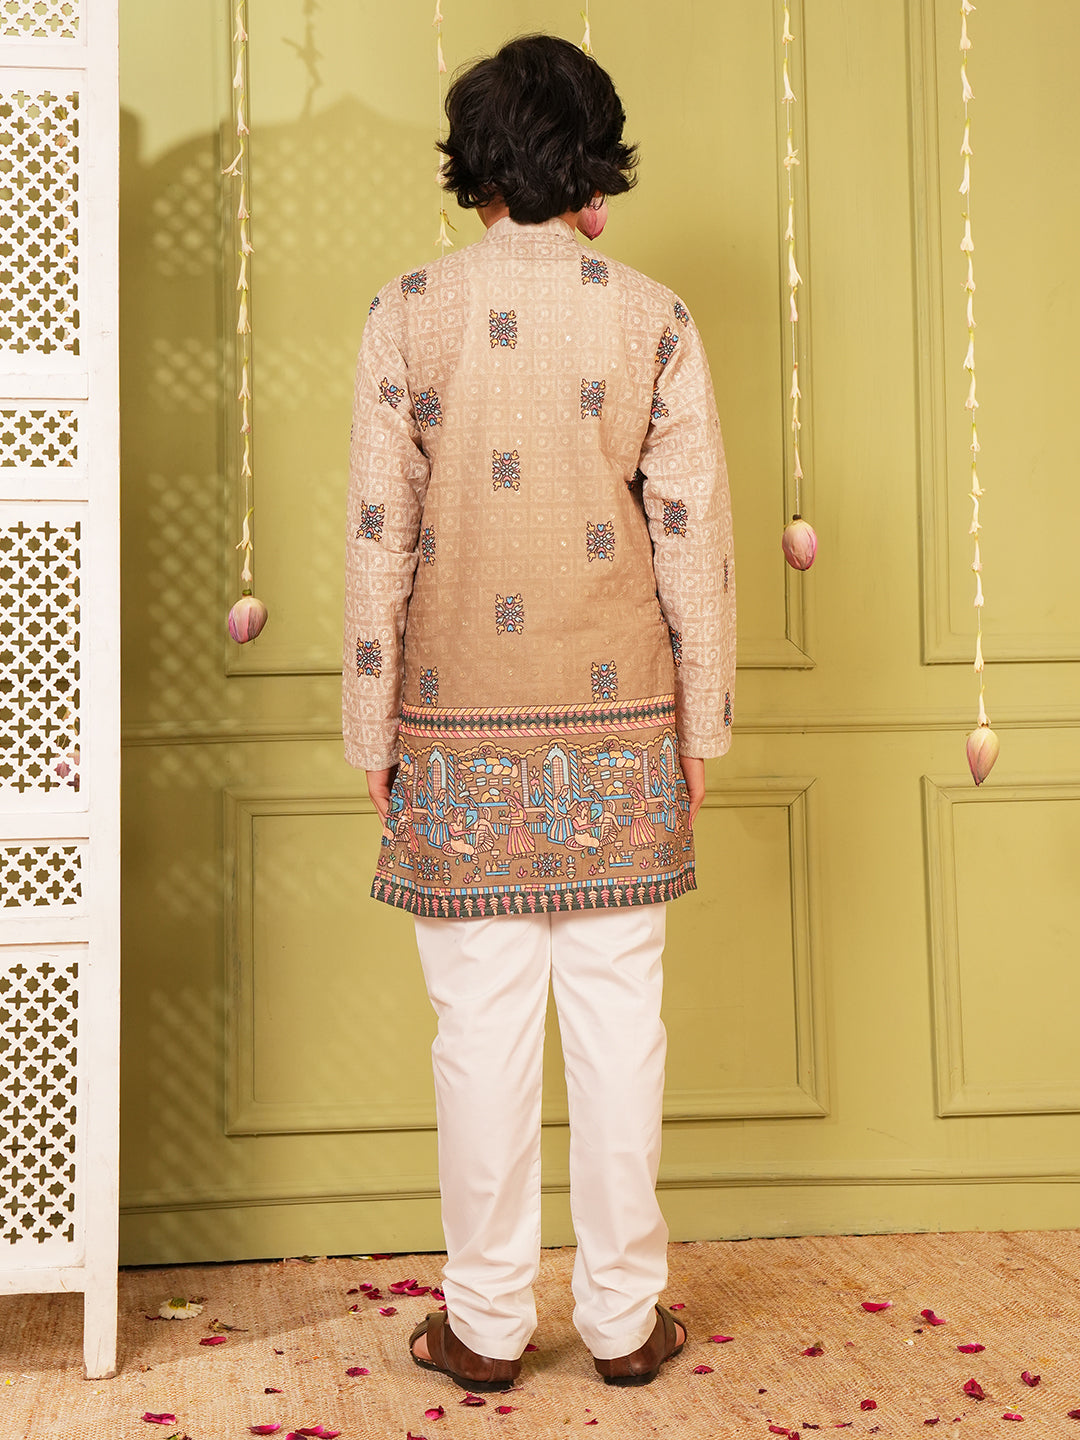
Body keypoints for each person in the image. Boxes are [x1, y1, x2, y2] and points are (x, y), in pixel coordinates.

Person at [342, 32, 735, 1391]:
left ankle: (487, 1325)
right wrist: (700, 729)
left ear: (477, 166)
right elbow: (692, 538)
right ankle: (625, 1323)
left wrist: (372, 729)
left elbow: (378, 538)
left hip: (454, 728)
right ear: (593, 168)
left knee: (480, 1037)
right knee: (623, 1030)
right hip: (622, 728)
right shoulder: (655, 317)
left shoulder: (408, 312)